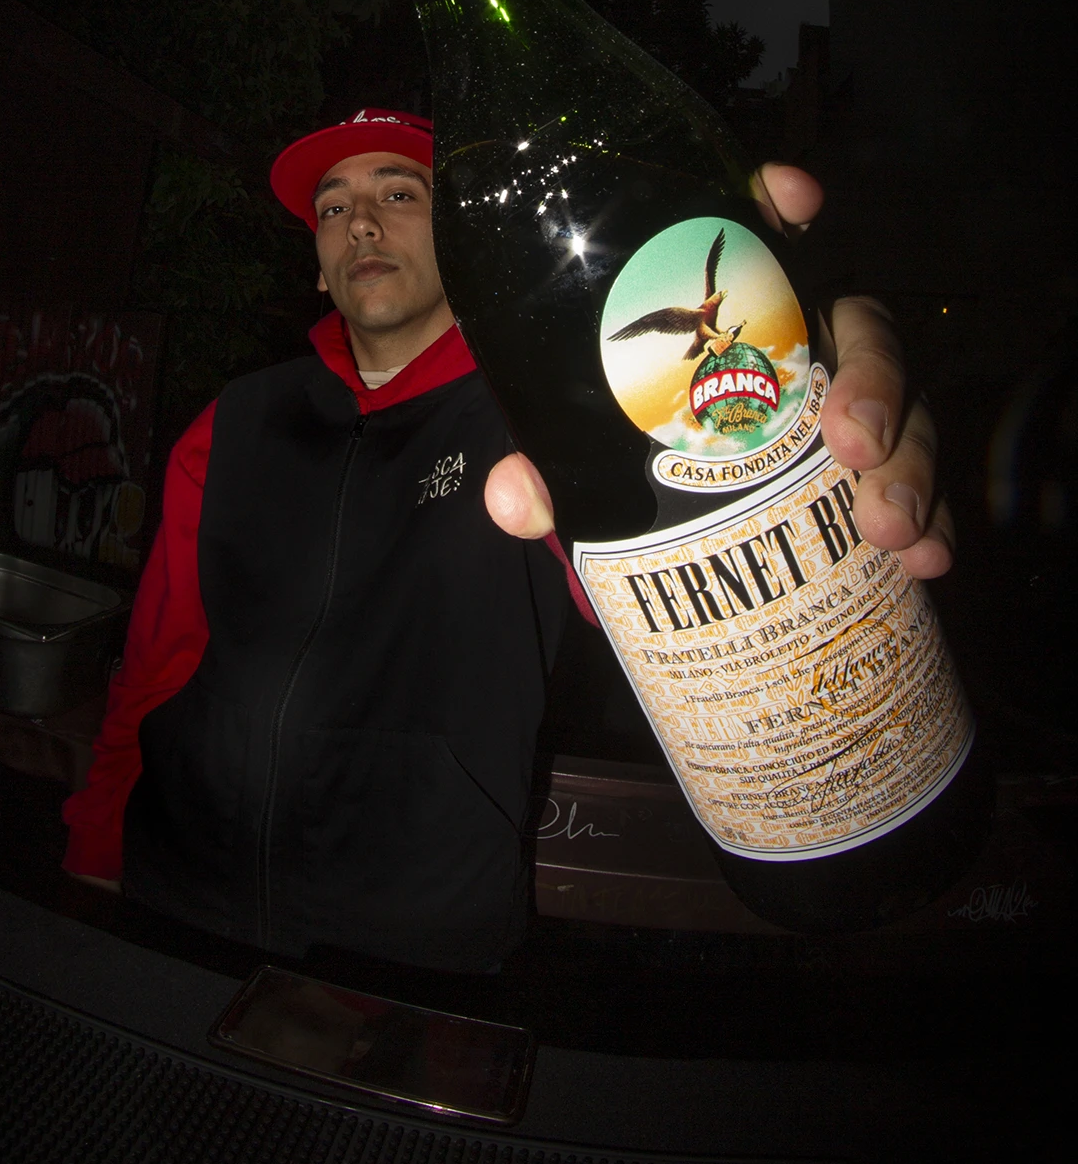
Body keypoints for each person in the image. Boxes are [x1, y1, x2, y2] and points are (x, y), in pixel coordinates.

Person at [63, 107, 953, 971]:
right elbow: (157, 662)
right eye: (333, 208)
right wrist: (97, 852)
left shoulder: (545, 414)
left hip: (411, 947)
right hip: (175, 902)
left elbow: (654, 579)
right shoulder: (235, 421)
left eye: (399, 195)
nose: (360, 222)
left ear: (463, 243)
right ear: (321, 270)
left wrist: (803, 431)